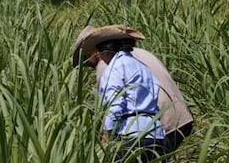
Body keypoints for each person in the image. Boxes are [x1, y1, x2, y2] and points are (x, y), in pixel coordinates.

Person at [78, 25, 167, 163]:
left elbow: (114, 105)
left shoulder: (114, 68)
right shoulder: (142, 67)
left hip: (132, 138)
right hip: (155, 136)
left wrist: (106, 137)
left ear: (105, 53)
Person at [73, 25, 195, 155]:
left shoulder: (108, 65)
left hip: (154, 125)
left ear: (95, 51)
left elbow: (113, 105)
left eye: (86, 60)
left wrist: (105, 142)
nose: (89, 65)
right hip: (177, 119)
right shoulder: (138, 55)